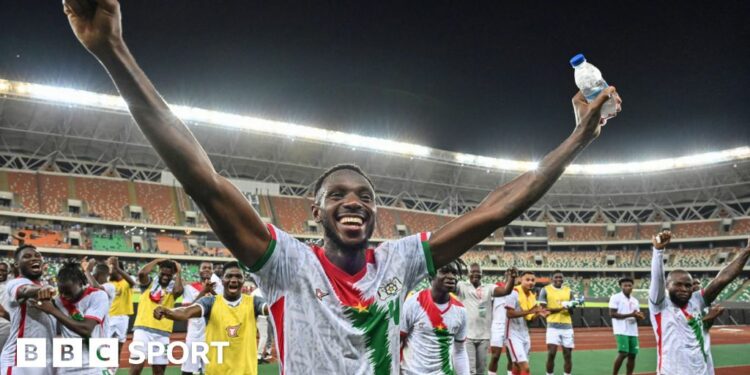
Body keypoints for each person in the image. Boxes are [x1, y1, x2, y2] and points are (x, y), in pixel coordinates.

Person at [63, 1, 620, 372]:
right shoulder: (286, 264)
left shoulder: (398, 263)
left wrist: (578, 139)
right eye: (338, 195)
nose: (354, 202)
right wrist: (114, 51)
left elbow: (498, 208)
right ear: (315, 212)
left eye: (365, 197)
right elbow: (203, 181)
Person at [649, 231, 750, 375]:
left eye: (688, 285)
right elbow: (657, 279)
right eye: (678, 284)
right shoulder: (660, 305)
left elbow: (722, 279)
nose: (684, 289)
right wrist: (658, 252)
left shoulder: (696, 301)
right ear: (667, 286)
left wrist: (747, 251)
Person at [153, 262, 268, 375]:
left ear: (244, 280)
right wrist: (167, 312)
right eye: (229, 276)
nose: (233, 280)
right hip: (215, 370)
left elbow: (269, 308)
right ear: (222, 280)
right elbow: (186, 312)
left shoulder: (253, 302)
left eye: (238, 276)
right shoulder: (210, 302)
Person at [30, 261, 110, 375]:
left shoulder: (98, 296)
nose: (64, 296)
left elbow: (86, 329)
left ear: (81, 282)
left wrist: (53, 310)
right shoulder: (58, 300)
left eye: (68, 292)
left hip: (96, 361)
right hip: (69, 361)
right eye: (61, 291)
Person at [0, 245, 57, 375]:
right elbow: (25, 290)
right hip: (19, 361)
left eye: (37, 256)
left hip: (43, 357)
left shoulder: (43, 285)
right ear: (16, 264)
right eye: (27, 256)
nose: (34, 259)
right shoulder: (16, 283)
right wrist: (40, 290)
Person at [456, 263, 516, 375]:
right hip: (467, 335)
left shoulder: (489, 287)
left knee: (480, 370)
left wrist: (512, 278)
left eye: (478, 272)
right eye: (472, 271)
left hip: (484, 336)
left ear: (482, 274)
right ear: (468, 273)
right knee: (470, 370)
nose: (475, 274)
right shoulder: (462, 286)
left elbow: (506, 291)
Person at [131, 258, 184, 375]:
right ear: (158, 271)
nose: (165, 277)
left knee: (159, 372)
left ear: (173, 275)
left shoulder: (172, 289)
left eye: (169, 275)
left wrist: (179, 272)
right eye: (163, 273)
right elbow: (142, 273)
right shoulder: (148, 284)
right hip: (143, 331)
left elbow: (179, 291)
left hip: (163, 334)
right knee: (136, 368)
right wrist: (157, 261)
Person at [180, 261, 221, 375]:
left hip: (212, 336)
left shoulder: (219, 287)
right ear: (199, 271)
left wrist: (211, 290)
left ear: (212, 271)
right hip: (194, 336)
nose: (207, 269)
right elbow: (188, 310)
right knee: (187, 371)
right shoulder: (189, 288)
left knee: (211, 371)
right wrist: (204, 291)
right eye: (204, 267)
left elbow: (222, 307)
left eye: (209, 268)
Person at [506, 271, 548, 375]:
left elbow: (529, 319)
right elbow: (509, 314)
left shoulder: (531, 295)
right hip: (512, 334)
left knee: (516, 365)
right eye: (527, 280)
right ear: (521, 280)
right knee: (525, 368)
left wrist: (538, 314)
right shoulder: (513, 292)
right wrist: (531, 311)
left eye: (533, 280)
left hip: (525, 334)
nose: (530, 282)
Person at [538, 270, 575, 375]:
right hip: (552, 327)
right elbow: (544, 309)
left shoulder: (569, 290)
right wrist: (561, 307)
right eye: (556, 277)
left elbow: (571, 311)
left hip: (567, 326)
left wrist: (571, 306)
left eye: (560, 277)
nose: (559, 279)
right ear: (552, 278)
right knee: (551, 353)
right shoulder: (545, 290)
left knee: (567, 355)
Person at [106, 256, 136, 371]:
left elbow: (132, 282)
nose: (109, 270)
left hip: (123, 317)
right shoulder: (108, 282)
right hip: (109, 317)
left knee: (118, 347)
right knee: (104, 345)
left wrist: (117, 268)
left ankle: (113, 371)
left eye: (111, 268)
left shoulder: (127, 280)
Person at [609, 277, 644, 375]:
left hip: (633, 330)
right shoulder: (615, 297)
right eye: (625, 285)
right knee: (623, 353)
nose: (628, 287)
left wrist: (639, 317)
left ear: (633, 286)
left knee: (633, 355)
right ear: (621, 286)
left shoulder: (635, 300)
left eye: (630, 285)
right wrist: (631, 315)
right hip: (621, 330)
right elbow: (612, 314)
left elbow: (636, 314)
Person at [488, 279, 515, 375]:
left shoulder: (516, 289)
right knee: (495, 356)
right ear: (505, 275)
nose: (510, 275)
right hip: (497, 325)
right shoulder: (497, 286)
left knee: (512, 357)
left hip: (511, 326)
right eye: (508, 273)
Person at [0, 262, 11, 354]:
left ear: (8, 272)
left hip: (5, 326)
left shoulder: (10, 287)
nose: (0, 272)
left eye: (3, 270)